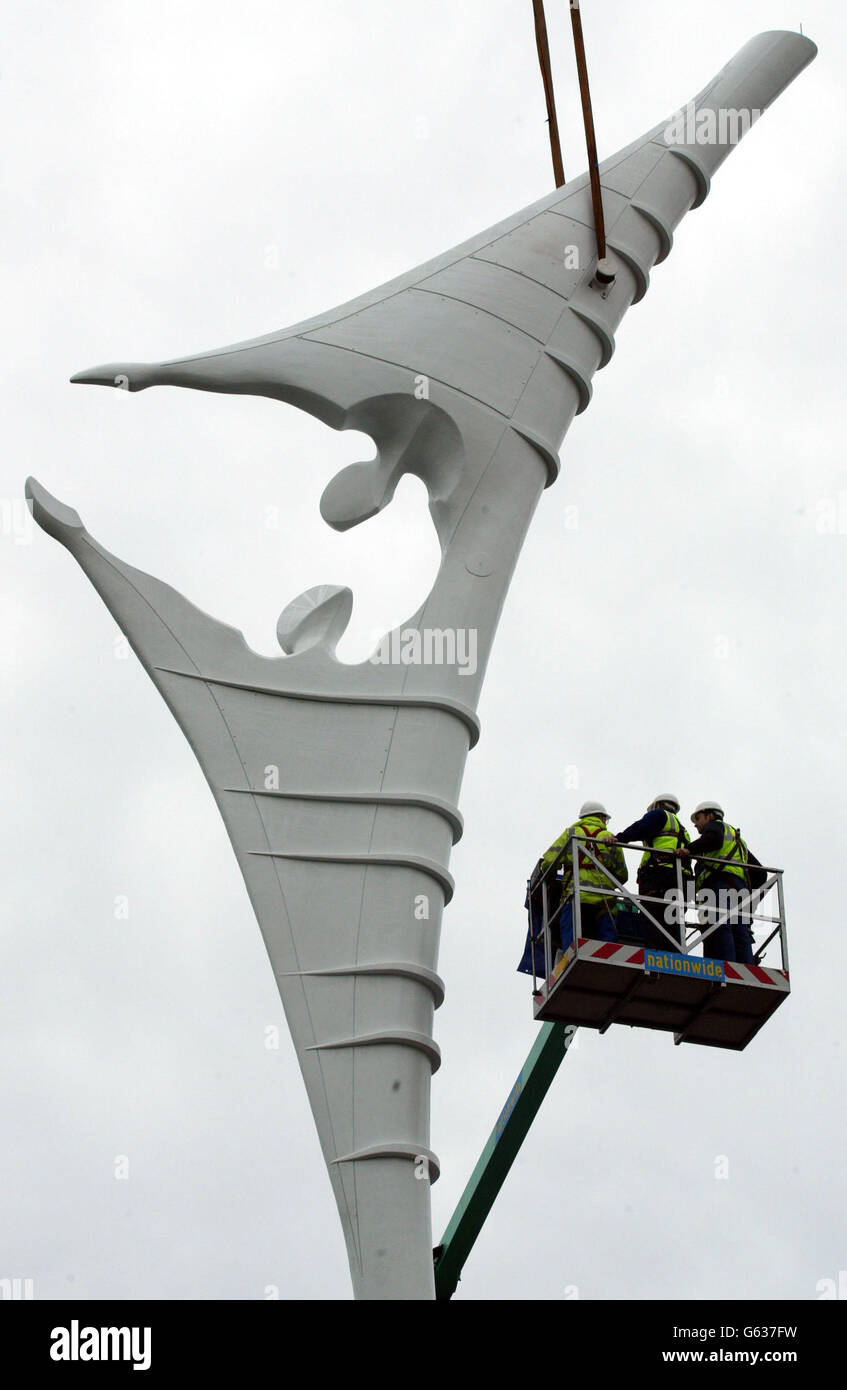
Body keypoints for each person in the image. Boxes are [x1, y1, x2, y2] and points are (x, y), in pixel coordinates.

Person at [677, 800, 765, 964]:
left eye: (698, 819)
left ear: (710, 815)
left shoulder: (716, 827)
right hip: (739, 890)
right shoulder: (737, 841)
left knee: (720, 926)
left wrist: (689, 849)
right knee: (740, 932)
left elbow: (714, 839)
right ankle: (745, 968)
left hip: (720, 886)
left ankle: (727, 966)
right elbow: (760, 874)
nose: (696, 825)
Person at [543, 801, 628, 952]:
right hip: (604, 898)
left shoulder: (571, 833)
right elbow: (622, 875)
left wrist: (555, 874)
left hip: (575, 895)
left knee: (571, 937)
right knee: (607, 941)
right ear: (601, 817)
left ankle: (570, 956)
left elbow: (549, 861)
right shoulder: (609, 837)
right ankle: (608, 956)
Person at [614, 793, 691, 951]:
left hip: (661, 876)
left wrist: (620, 838)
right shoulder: (681, 829)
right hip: (683, 881)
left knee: (652, 916)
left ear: (657, 805)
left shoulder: (659, 815)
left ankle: (657, 958)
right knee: (674, 921)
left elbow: (641, 827)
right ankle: (676, 958)